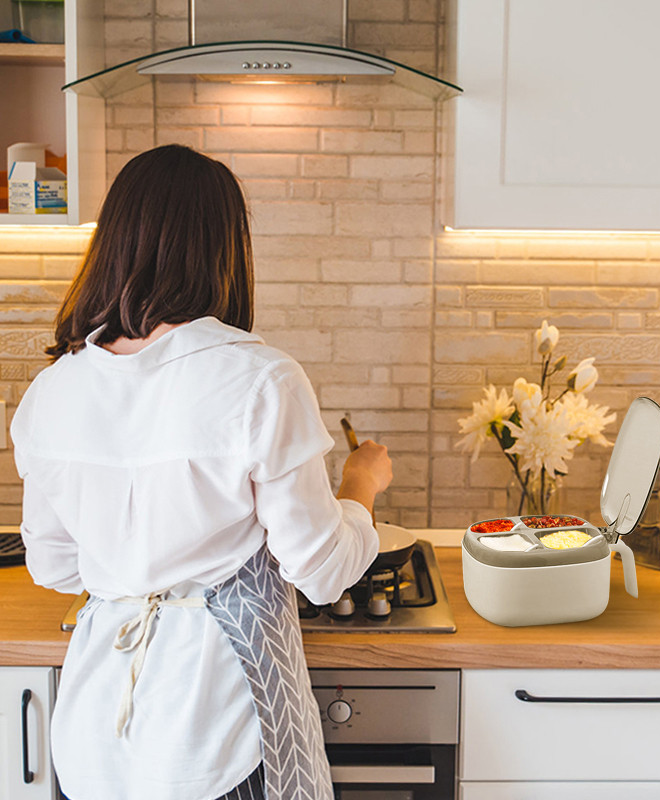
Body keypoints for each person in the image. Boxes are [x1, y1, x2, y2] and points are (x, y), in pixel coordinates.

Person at [10, 144, 392, 800]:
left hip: (96, 740)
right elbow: (323, 570)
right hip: (215, 731)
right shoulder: (261, 378)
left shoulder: (54, 390)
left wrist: (134, 567)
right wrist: (361, 485)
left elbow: (55, 567)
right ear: (224, 249)